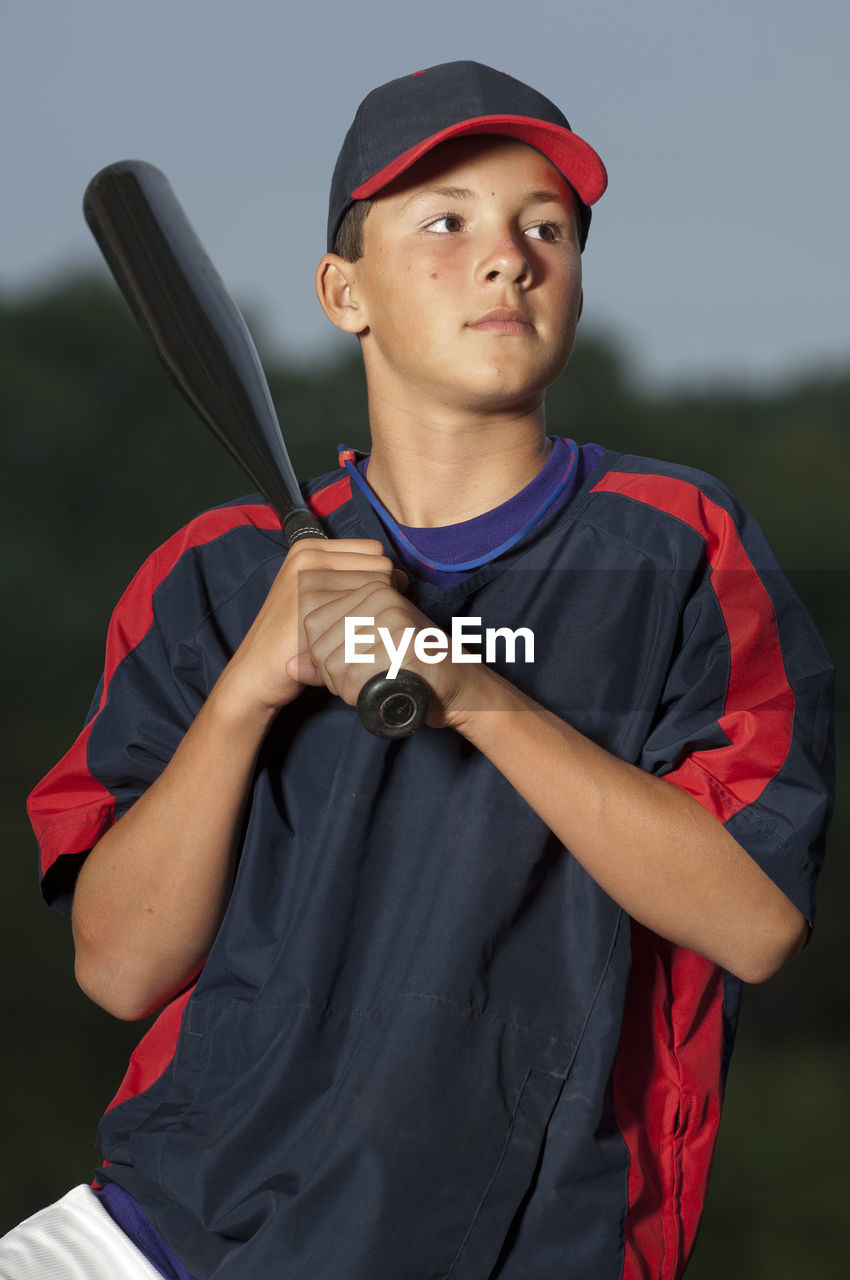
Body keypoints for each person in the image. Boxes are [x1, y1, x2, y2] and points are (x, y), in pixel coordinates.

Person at [9, 60, 833, 1280]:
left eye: (544, 227)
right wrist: (253, 682)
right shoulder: (215, 576)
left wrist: (470, 690)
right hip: (165, 1231)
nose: (507, 258)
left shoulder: (674, 546)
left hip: (515, 1244)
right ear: (345, 290)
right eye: (445, 221)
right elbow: (121, 966)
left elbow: (752, 920)